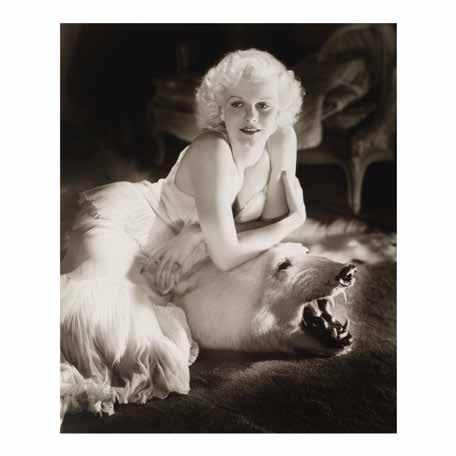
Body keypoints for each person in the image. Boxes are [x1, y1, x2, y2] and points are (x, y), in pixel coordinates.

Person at [60, 49, 306, 408]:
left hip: (169, 248)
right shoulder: (213, 150)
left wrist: (197, 232)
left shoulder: (282, 139)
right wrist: (294, 221)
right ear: (220, 109)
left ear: (280, 109)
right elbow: (228, 254)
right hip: (126, 225)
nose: (251, 117)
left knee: (135, 340)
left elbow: (268, 219)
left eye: (264, 106)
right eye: (237, 104)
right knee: (104, 325)